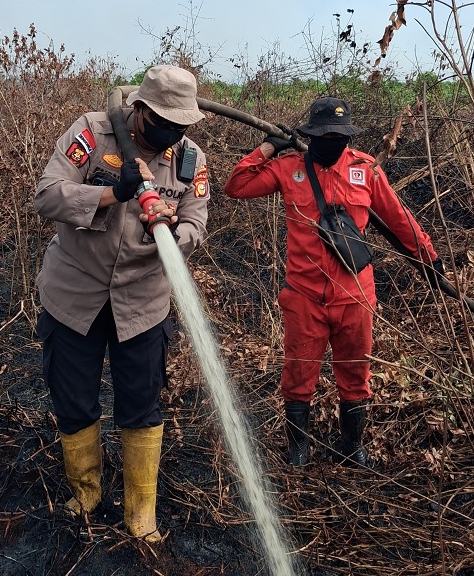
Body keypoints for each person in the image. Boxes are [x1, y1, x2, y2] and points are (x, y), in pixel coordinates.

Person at [34, 65, 210, 540]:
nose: (171, 134)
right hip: (75, 294)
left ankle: (140, 513)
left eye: (181, 126)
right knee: (73, 398)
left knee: (141, 404)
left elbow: (197, 221)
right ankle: (87, 493)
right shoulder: (90, 134)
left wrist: (175, 230)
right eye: (162, 123)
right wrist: (112, 194)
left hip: (143, 302)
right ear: (140, 110)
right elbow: (47, 195)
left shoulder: (190, 159)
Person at [223, 97, 442, 467]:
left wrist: (429, 257)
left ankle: (352, 448)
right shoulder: (288, 168)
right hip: (304, 296)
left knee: (356, 373)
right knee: (298, 376)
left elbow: (399, 218)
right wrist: (266, 148)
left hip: (355, 295)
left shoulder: (366, 169)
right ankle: (298, 451)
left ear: (348, 136)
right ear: (311, 134)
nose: (333, 142)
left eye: (340, 136)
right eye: (325, 135)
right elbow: (236, 186)